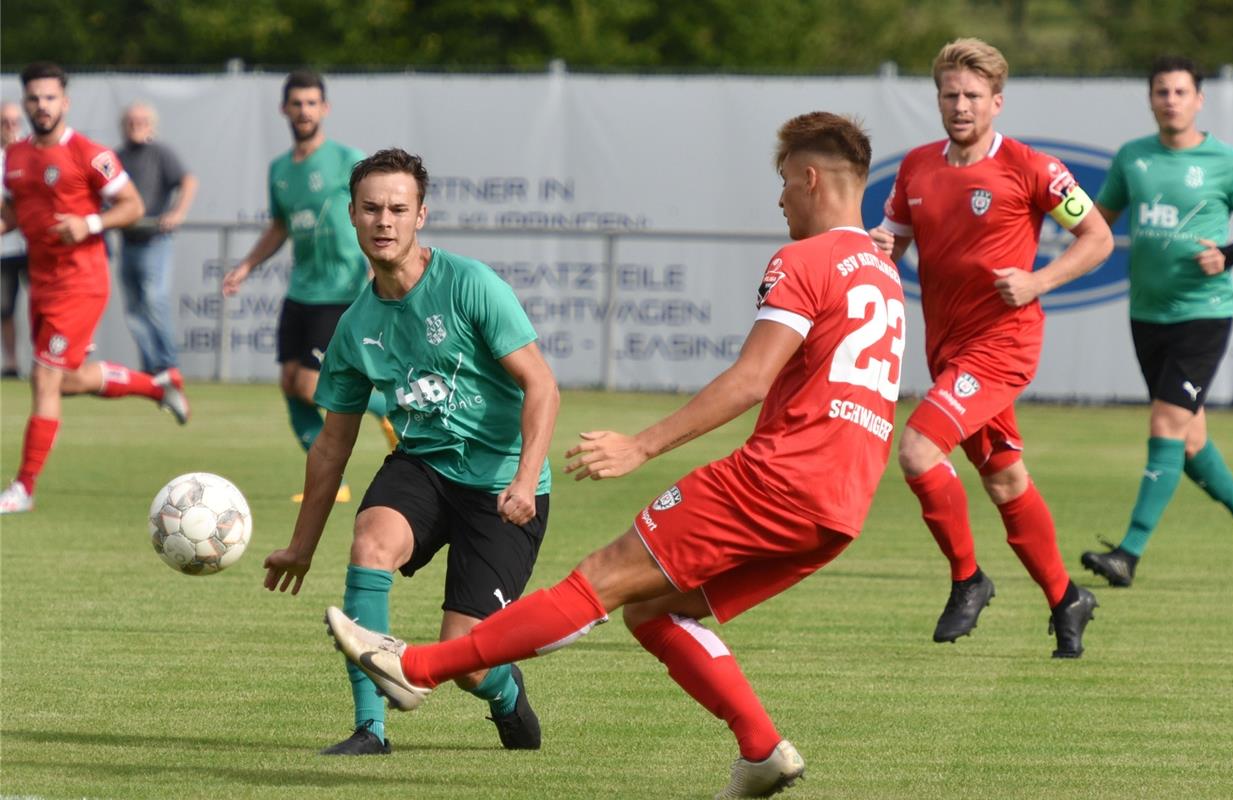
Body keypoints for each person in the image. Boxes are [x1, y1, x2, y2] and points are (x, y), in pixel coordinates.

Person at [324, 112, 905, 798]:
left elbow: (751, 380)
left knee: (598, 579)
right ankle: (760, 749)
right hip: (840, 504)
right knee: (653, 611)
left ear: (809, 178)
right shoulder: (882, 272)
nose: (779, 199)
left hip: (775, 478)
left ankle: (415, 668)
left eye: (783, 182)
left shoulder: (802, 260)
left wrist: (642, 444)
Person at [262, 148, 560, 756]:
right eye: (371, 208)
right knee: (370, 541)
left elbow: (542, 385)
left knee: (467, 663)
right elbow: (331, 449)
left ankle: (505, 694)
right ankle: (370, 727)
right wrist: (301, 545)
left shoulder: (470, 285)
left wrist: (526, 481)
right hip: (423, 464)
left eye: (398, 208)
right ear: (351, 215)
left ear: (421, 214)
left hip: (502, 484)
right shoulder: (354, 327)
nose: (384, 221)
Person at [871, 38, 1114, 657]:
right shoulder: (917, 167)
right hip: (949, 352)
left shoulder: (1034, 168)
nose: (960, 105)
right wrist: (866, 252)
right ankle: (1067, 600)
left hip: (1003, 346)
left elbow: (1098, 237)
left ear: (996, 102)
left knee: (919, 450)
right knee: (1006, 482)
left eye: (973, 96)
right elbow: (890, 248)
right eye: (950, 94)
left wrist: (1038, 280)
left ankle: (967, 578)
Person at [1080, 56, 1233, 587]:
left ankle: (1129, 553)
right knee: (1187, 443)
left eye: (1180, 91)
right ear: (1150, 99)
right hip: (1147, 316)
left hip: (1203, 315)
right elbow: (1098, 223)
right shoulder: (1132, 158)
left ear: (1198, 100)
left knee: (1165, 426)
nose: (1171, 99)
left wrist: (1231, 255)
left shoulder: (1227, 162)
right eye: (1161, 91)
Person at [0, 62, 189, 515]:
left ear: (64, 102)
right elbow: (11, 212)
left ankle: (23, 487)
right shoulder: (17, 156)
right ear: (25, 103)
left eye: (49, 98)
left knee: (43, 377)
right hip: (42, 282)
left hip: (81, 281)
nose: (41, 106)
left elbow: (133, 205)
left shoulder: (89, 152)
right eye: (34, 98)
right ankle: (157, 386)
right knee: (65, 380)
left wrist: (88, 223)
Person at [221, 69, 396, 503]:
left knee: (308, 384)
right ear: (285, 109)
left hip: (341, 290)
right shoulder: (280, 169)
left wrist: (379, 270)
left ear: (325, 109)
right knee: (288, 384)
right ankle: (330, 482)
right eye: (296, 103)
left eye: (311, 103)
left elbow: (374, 212)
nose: (304, 111)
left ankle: (390, 408)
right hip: (300, 290)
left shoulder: (345, 159)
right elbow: (280, 226)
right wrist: (247, 265)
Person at [115, 101, 199, 375]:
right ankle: (151, 368)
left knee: (154, 299)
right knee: (133, 309)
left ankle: (167, 364)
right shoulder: (117, 157)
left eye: (142, 121)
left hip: (155, 240)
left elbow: (188, 181)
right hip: (127, 241)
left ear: (151, 125)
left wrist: (177, 213)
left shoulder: (161, 153)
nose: (136, 126)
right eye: (131, 121)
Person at [2, 101, 28, 378]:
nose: (10, 127)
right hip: (5, 248)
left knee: (46, 305)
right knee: (4, 308)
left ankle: (50, 361)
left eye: (14, 121)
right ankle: (11, 363)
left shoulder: (32, 152)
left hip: (35, 242)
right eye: (4, 122)